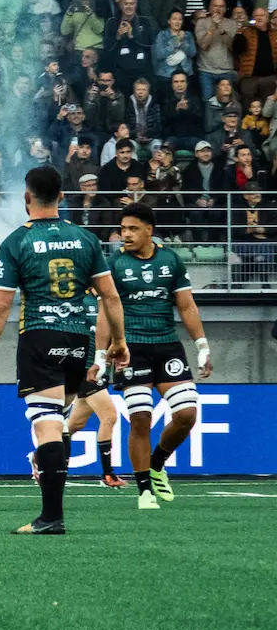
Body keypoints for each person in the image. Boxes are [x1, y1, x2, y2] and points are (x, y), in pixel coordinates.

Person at [0, 165, 129, 536]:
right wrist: (118, 343)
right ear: (62, 197)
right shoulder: (86, 239)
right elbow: (110, 296)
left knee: (46, 423)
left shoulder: (16, 241)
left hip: (41, 337)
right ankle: (47, 469)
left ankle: (51, 517)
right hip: (80, 339)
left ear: (27, 198)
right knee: (58, 421)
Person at [100, 202, 213, 510]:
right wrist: (100, 355)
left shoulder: (170, 260)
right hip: (130, 349)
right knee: (140, 418)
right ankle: (144, 490)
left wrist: (202, 346)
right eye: (123, 229)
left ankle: (157, 463)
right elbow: (105, 310)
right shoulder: (115, 263)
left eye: (133, 228)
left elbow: (187, 306)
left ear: (149, 230)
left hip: (167, 346)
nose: (126, 234)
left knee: (187, 414)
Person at [57, 290, 127, 489]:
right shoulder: (78, 299)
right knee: (110, 416)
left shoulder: (108, 300)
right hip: (84, 370)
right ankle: (108, 474)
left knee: (73, 425)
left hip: (100, 369)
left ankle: (40, 457)